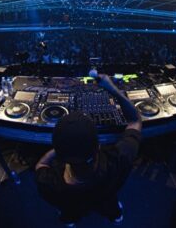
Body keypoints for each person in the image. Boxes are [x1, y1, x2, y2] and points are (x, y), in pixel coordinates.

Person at [35, 71, 142, 227]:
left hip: (69, 203)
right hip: (106, 195)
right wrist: (111, 88)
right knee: (110, 204)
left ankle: (70, 220)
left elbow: (41, 164)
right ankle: (115, 216)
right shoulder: (119, 159)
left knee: (69, 211)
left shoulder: (48, 182)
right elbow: (135, 121)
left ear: (59, 153)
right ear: (98, 145)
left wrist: (62, 149)